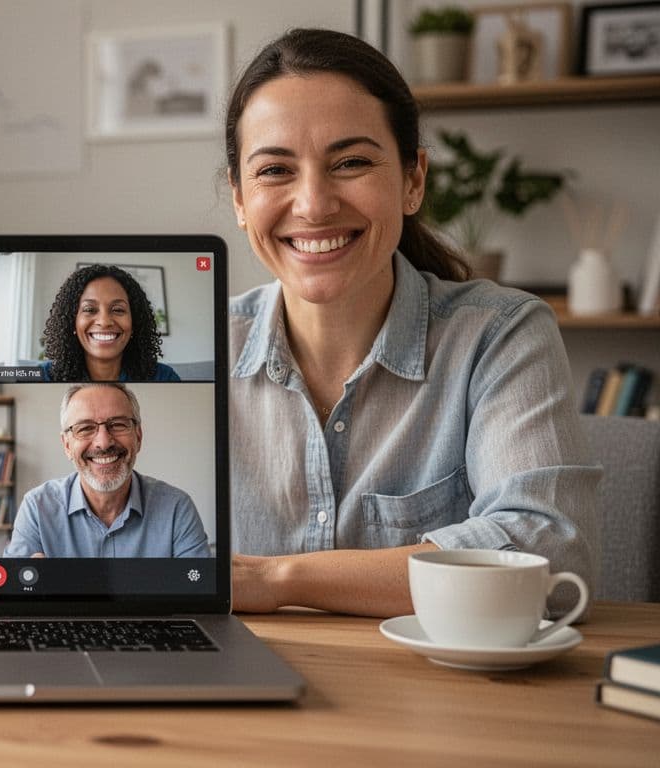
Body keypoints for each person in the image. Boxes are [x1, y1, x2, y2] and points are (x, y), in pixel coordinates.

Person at [224, 29, 598, 617]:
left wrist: (278, 579)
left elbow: (547, 551)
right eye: (275, 171)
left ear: (412, 180)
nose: (314, 204)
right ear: (240, 199)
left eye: (351, 162)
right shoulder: (189, 352)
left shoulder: (500, 335)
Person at [4, 383, 209, 558]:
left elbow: (200, 594)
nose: (103, 442)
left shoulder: (176, 507)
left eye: (118, 425)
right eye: (85, 428)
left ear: (138, 437)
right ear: (67, 445)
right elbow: (12, 596)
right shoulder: (37, 507)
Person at [38, 264, 181, 382]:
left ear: (134, 322)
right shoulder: (41, 375)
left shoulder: (163, 377)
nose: (104, 322)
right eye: (90, 309)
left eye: (118, 310)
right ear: (72, 322)